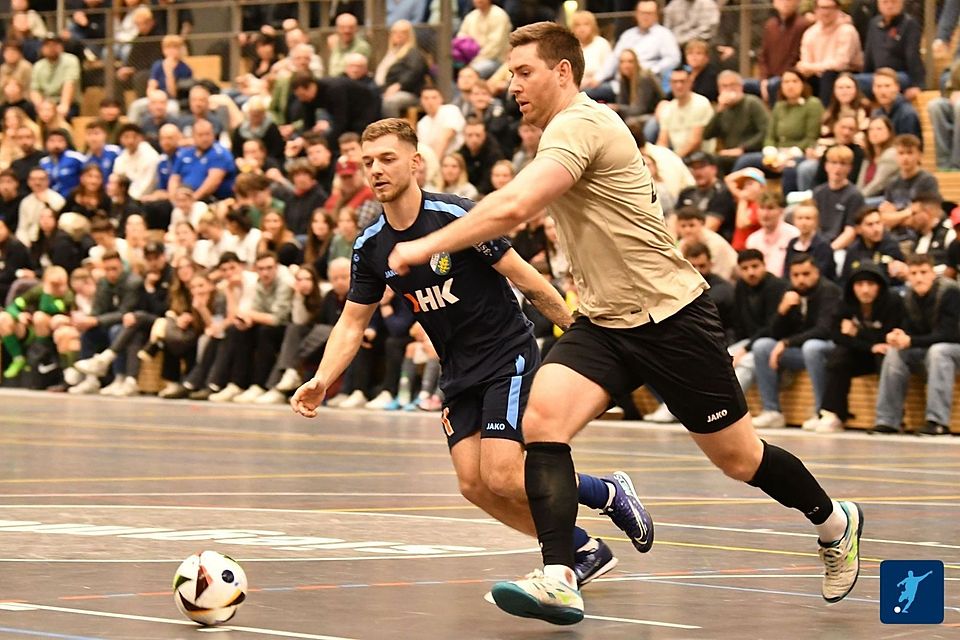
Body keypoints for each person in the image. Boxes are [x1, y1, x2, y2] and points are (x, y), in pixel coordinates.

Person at [383, 23, 863, 624]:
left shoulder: (583, 125)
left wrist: (425, 244)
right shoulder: (556, 134)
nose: (512, 86)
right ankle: (560, 573)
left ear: (563, 72)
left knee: (740, 460)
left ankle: (834, 522)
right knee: (542, 422)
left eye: (524, 72)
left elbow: (515, 207)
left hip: (671, 317)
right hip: (605, 321)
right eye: (509, 75)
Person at [291, 117, 655, 590]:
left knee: (503, 474)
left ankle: (601, 499)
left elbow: (527, 280)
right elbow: (352, 321)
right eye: (367, 163)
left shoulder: (457, 217)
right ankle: (585, 547)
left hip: (508, 355)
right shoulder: (371, 245)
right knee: (475, 486)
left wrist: (584, 333)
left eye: (387, 159)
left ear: (416, 163)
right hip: (458, 370)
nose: (376, 170)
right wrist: (323, 378)